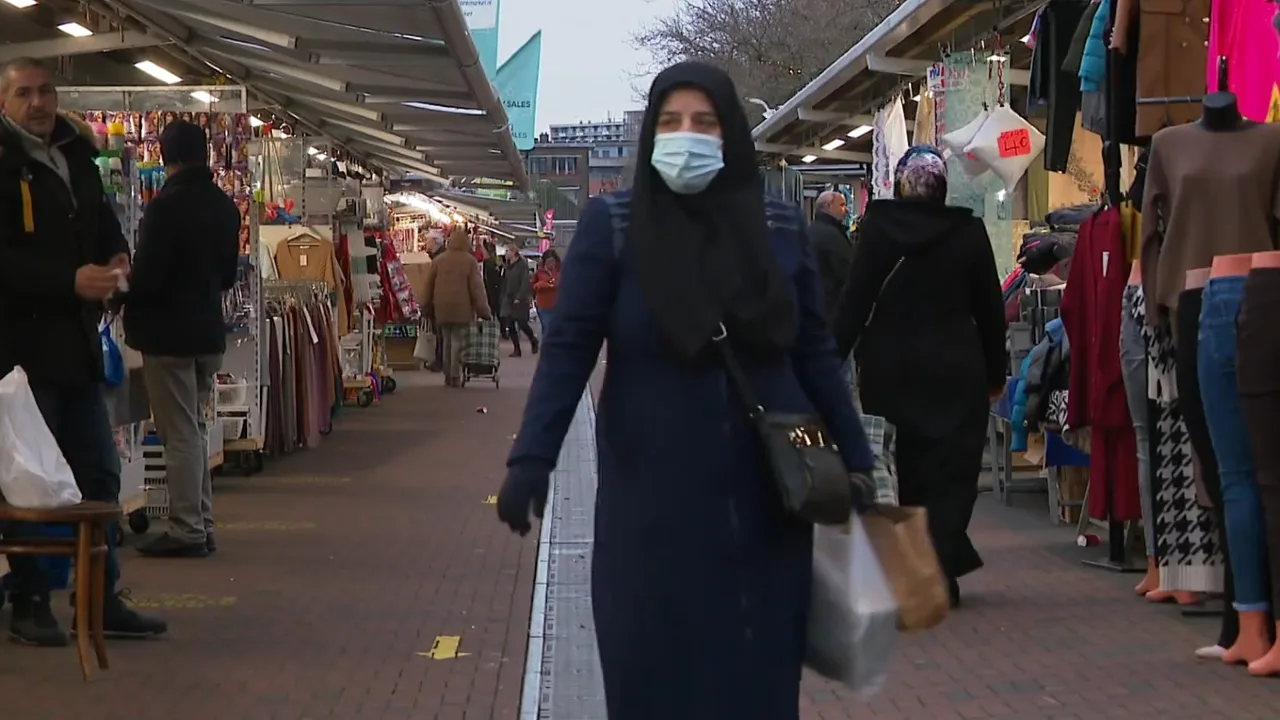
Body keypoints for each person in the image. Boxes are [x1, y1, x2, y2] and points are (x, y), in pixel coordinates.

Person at [495, 61, 876, 720]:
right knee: (650, 686)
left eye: (704, 121)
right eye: (670, 122)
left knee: (756, 692)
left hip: (766, 507)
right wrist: (533, 458)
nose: (687, 135)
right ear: (650, 136)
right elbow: (568, 351)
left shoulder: (779, 226)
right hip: (650, 514)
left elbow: (813, 352)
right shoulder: (613, 227)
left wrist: (859, 461)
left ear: (730, 133)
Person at [0, 57, 167, 645]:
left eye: (46, 91)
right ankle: (31, 600)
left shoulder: (76, 155)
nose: (38, 103)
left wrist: (119, 256)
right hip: (19, 358)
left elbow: (102, 224)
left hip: (76, 348)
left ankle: (100, 597)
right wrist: (67, 280)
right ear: (4, 100)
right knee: (35, 484)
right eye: (24, 93)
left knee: (99, 472)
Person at [832, 144, 1007, 608]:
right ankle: (940, 566)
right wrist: (996, 372)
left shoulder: (877, 232)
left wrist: (828, 360)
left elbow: (854, 302)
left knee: (901, 469)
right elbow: (991, 310)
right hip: (956, 369)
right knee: (951, 471)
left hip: (891, 370)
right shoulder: (968, 233)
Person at [123, 120, 240, 558]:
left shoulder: (166, 207)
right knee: (195, 427)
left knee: (180, 435)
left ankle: (188, 529)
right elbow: (228, 275)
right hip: (208, 332)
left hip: (168, 335)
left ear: (165, 155)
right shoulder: (225, 208)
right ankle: (201, 523)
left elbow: (150, 275)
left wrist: (124, 289)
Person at [421, 227, 491, 386]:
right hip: (462, 309)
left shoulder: (439, 260)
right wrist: (483, 310)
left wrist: (425, 305)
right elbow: (477, 288)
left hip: (442, 309)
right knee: (458, 341)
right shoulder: (470, 261)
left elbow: (428, 285)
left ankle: (447, 374)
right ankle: (455, 374)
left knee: (446, 340)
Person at [807, 190, 854, 326]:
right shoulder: (833, 238)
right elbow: (847, 274)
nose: (846, 210)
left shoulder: (810, 232)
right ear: (828, 206)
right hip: (831, 309)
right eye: (842, 205)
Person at [499, 246, 538, 357]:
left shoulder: (522, 266)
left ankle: (533, 339)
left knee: (522, 323)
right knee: (510, 323)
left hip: (519, 299)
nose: (506, 253)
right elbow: (504, 282)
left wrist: (520, 296)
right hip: (508, 298)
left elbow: (525, 282)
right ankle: (517, 349)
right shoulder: (507, 267)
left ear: (514, 253)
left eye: (508, 251)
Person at [531, 249, 561, 333]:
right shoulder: (539, 273)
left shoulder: (560, 271)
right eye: (549, 262)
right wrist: (545, 284)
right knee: (547, 327)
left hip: (557, 304)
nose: (551, 264)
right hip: (543, 305)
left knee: (555, 329)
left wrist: (552, 284)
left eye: (553, 261)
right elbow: (534, 286)